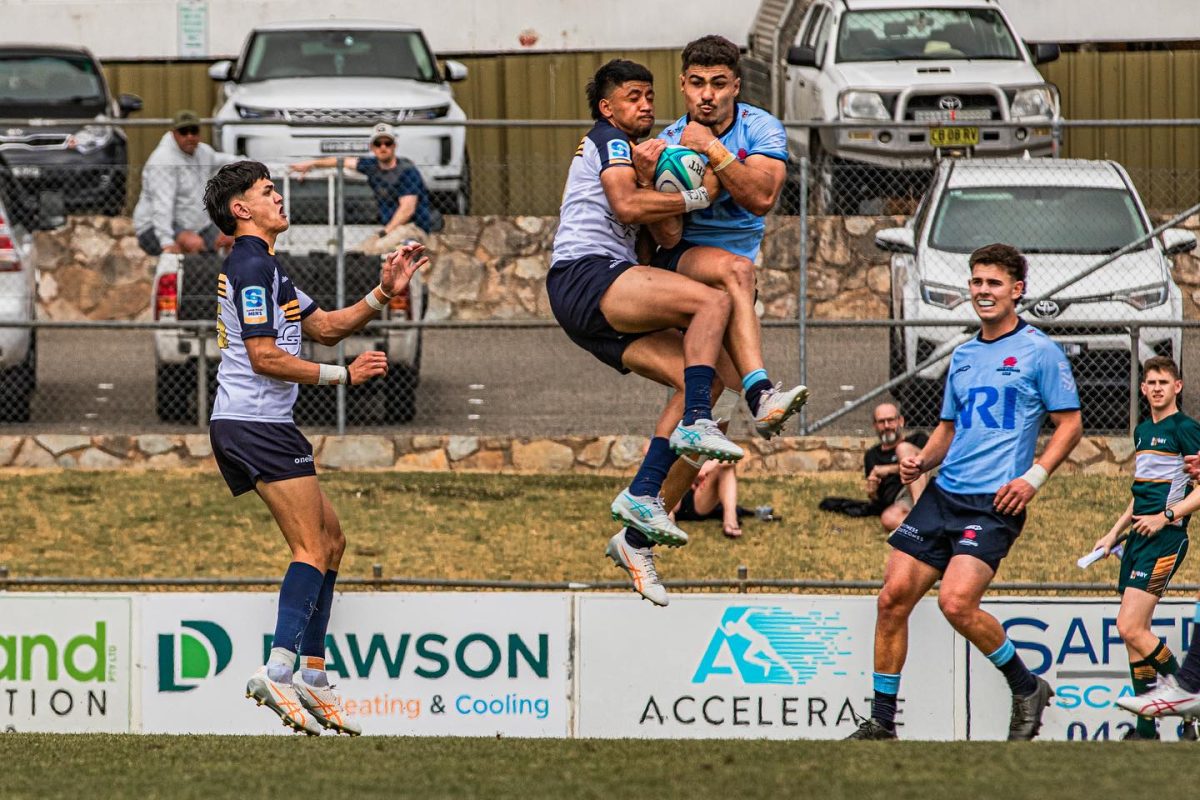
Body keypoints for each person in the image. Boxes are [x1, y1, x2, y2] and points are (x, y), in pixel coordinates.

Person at [202, 160, 429, 736]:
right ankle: (280, 669)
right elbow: (264, 358)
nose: (279, 197)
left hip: (261, 423)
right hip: (254, 424)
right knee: (309, 546)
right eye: (266, 191)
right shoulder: (252, 265)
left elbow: (325, 326)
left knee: (331, 541)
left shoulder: (271, 270)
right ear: (241, 210)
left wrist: (383, 292)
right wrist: (342, 379)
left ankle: (315, 675)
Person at [846, 243, 1083, 741]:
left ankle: (1025, 687)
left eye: (993, 283)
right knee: (891, 599)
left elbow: (1070, 425)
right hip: (943, 495)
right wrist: (921, 461)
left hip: (994, 502)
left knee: (956, 603)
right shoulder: (965, 354)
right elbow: (948, 430)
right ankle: (882, 723)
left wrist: (1032, 478)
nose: (982, 291)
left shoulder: (1040, 351)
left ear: (1017, 290)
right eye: (976, 282)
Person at [548, 58, 746, 607]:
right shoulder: (609, 139)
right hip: (585, 276)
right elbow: (626, 205)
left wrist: (661, 175)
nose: (646, 105)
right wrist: (700, 192)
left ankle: (639, 517)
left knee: (701, 380)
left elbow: (657, 231)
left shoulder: (640, 153)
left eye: (649, 96)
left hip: (595, 296)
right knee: (712, 302)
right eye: (633, 96)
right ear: (608, 107)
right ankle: (700, 425)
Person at [652, 35, 808, 439]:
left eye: (718, 83)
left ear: (735, 86)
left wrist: (712, 149)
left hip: (733, 283)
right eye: (698, 83)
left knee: (713, 407)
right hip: (683, 262)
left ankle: (651, 492)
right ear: (683, 83)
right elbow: (666, 235)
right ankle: (761, 392)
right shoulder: (668, 143)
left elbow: (761, 197)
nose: (707, 95)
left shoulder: (760, 127)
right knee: (739, 270)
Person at [1092, 356, 1198, 740]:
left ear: (1178, 387)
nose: (1156, 388)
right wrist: (1113, 534)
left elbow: (1199, 491)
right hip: (1138, 538)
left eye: (1163, 382)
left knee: (1129, 626)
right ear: (1142, 388)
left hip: (1165, 538)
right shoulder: (1141, 431)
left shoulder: (1186, 429)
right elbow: (1140, 496)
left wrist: (1166, 517)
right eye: (1150, 382)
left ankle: (1190, 696)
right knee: (1134, 632)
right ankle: (1145, 729)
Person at [290, 122, 442, 253]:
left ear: (394, 146)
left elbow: (407, 210)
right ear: (372, 147)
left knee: (376, 249)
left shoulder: (407, 171)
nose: (383, 147)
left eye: (387, 143)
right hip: (391, 229)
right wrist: (312, 164)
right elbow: (342, 161)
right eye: (378, 144)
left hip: (413, 228)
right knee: (359, 252)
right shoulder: (371, 166)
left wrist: (383, 233)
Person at [133, 110, 238, 256]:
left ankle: (223, 277)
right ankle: (191, 277)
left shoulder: (203, 153)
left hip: (195, 225)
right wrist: (167, 242)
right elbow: (162, 205)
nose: (189, 136)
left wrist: (254, 164)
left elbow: (226, 162)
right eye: (183, 132)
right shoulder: (163, 161)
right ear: (174, 133)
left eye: (193, 131)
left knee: (232, 239)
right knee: (194, 244)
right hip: (155, 226)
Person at [865, 402, 929, 532]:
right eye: (881, 422)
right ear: (875, 426)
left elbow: (926, 464)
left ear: (901, 421)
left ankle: (921, 514)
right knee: (888, 518)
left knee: (903, 449)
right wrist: (872, 493)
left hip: (928, 486)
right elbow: (879, 501)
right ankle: (929, 524)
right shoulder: (871, 456)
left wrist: (888, 469)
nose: (887, 426)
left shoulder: (918, 439)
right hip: (904, 498)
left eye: (890, 420)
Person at [672, 458, 752, 538]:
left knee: (727, 466)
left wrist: (710, 465)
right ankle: (666, 515)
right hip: (673, 492)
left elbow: (734, 456)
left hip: (700, 496)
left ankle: (730, 519)